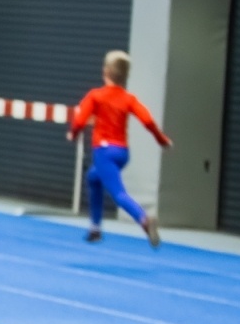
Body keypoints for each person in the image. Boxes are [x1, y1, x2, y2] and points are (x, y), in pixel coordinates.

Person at [68, 50, 171, 248]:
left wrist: (73, 134)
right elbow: (147, 120)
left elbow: (80, 119)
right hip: (122, 153)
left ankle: (144, 220)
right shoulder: (128, 99)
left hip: (104, 152)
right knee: (93, 178)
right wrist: (161, 139)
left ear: (105, 71)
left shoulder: (96, 95)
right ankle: (95, 228)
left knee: (118, 193)